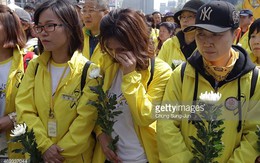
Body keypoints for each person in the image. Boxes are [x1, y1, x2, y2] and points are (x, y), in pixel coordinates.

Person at [157, 1, 260, 162]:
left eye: (216, 34)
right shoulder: (182, 75)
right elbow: (166, 124)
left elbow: (254, 133)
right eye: (201, 33)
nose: (206, 42)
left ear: (235, 34)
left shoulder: (254, 79)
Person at [16, 0, 98, 162]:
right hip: (37, 154)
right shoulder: (35, 66)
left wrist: (55, 154)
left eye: (50, 25)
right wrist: (44, 146)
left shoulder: (89, 71)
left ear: (70, 27)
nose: (43, 32)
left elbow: (85, 122)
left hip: (73, 157)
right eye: (39, 27)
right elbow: (24, 109)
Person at [91, 8, 172, 163]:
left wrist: (130, 76)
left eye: (122, 49)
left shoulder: (161, 72)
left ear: (137, 42)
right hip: (109, 156)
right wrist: (101, 134)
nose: (116, 55)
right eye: (111, 49)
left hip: (142, 157)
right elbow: (95, 107)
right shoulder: (108, 64)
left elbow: (145, 117)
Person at [0, 4, 26, 159]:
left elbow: (38, 104)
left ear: (9, 27)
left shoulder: (29, 62)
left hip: (17, 148)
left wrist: (12, 119)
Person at [158, 0, 205, 68]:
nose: (185, 20)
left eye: (190, 16)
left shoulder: (207, 46)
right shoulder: (169, 44)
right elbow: (159, 71)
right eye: (182, 17)